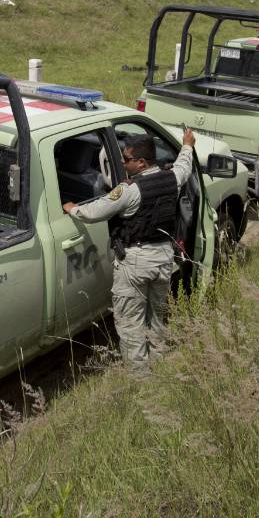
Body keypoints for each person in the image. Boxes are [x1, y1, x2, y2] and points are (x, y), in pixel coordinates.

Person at [62, 129, 197, 367]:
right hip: (163, 259)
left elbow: (93, 212)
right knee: (156, 319)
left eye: (126, 159)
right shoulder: (173, 177)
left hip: (136, 263)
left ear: (141, 162)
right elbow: (184, 164)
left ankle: (140, 378)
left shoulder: (129, 191)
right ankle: (159, 369)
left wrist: (72, 208)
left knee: (130, 324)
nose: (123, 163)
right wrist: (187, 145)